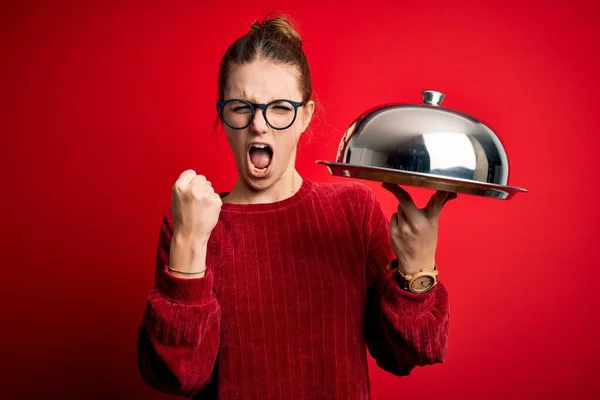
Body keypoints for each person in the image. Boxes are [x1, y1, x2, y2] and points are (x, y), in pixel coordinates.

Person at [137, 14, 456, 400]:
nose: (259, 126)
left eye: (280, 108)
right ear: (223, 115)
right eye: (242, 107)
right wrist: (189, 242)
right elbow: (177, 376)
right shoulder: (188, 222)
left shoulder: (352, 212)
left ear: (304, 116)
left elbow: (405, 353)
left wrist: (418, 268)